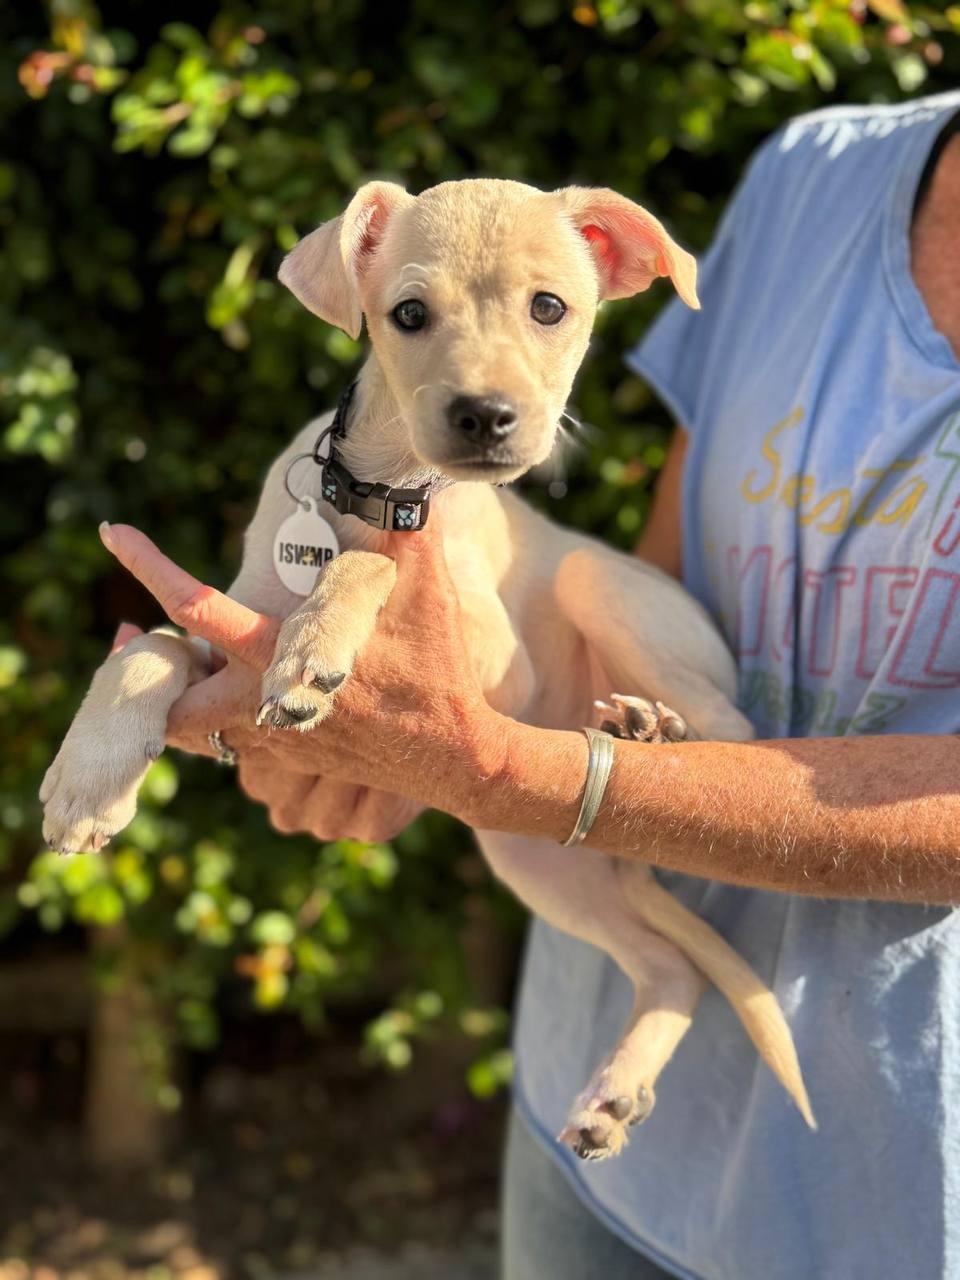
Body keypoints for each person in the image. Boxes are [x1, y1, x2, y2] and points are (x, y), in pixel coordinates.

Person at [105, 90, 960, 1279]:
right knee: (590, 611)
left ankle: (685, 788)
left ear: (613, 262)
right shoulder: (818, 169)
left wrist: (524, 768)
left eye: (550, 310)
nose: (488, 383)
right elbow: (639, 576)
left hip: (898, 1184)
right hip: (587, 1124)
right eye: (415, 315)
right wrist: (414, 754)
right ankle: (660, 981)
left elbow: (503, 759)